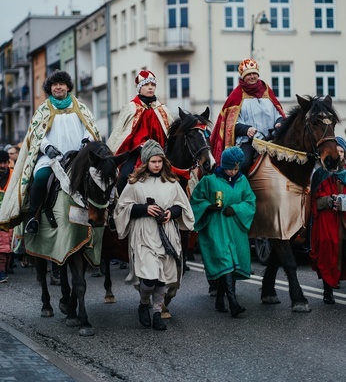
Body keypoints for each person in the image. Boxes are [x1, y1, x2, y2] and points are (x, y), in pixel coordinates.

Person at [0, 70, 101, 234]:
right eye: (55, 85)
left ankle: (103, 215)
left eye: (61, 84)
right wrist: (46, 147)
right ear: (50, 88)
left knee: (100, 179)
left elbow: (90, 128)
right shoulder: (42, 110)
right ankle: (34, 217)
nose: (58, 87)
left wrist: (86, 142)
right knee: (40, 178)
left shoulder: (80, 107)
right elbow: (36, 134)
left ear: (68, 87)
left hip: (78, 157)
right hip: (51, 158)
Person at [114, 139, 194, 331]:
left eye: (159, 161)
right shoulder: (134, 183)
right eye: (153, 161)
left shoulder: (172, 183)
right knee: (149, 278)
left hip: (166, 235)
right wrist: (144, 208)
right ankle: (143, 303)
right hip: (144, 235)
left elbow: (183, 206)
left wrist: (170, 213)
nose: (157, 165)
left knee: (162, 279)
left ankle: (157, 312)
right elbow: (121, 209)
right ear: (146, 162)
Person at [189, 147, 256, 317]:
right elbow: (196, 200)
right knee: (225, 261)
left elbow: (250, 201)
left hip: (235, 228)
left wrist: (236, 209)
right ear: (222, 166)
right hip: (216, 228)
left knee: (232, 264)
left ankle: (220, 299)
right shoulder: (209, 181)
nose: (233, 172)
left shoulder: (243, 181)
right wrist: (209, 206)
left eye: (236, 168)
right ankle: (233, 303)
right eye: (229, 168)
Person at [211, 58, 285, 174]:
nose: (252, 76)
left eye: (254, 73)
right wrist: (247, 129)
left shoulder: (266, 90)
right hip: (249, 142)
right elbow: (231, 124)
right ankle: (242, 188)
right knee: (243, 164)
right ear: (243, 77)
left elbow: (278, 112)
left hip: (272, 138)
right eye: (248, 74)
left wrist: (279, 122)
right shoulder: (236, 95)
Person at [107, 70, 174, 195]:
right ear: (139, 88)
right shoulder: (131, 108)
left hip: (160, 153)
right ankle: (120, 204)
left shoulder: (162, 109)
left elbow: (169, 134)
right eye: (146, 84)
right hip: (135, 151)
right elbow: (123, 135)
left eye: (153, 85)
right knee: (124, 176)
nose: (150, 87)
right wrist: (140, 146)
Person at [310, 136, 346, 304]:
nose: (339, 154)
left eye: (341, 151)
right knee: (327, 253)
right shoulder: (321, 174)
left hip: (344, 220)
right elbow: (314, 202)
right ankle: (327, 290)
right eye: (336, 151)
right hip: (327, 220)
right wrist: (330, 201)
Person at [0, 150, 14, 282]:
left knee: (8, 243)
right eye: (0, 163)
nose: (2, 166)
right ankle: (2, 270)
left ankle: (7, 265)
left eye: (4, 163)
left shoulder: (14, 175)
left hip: (10, 215)